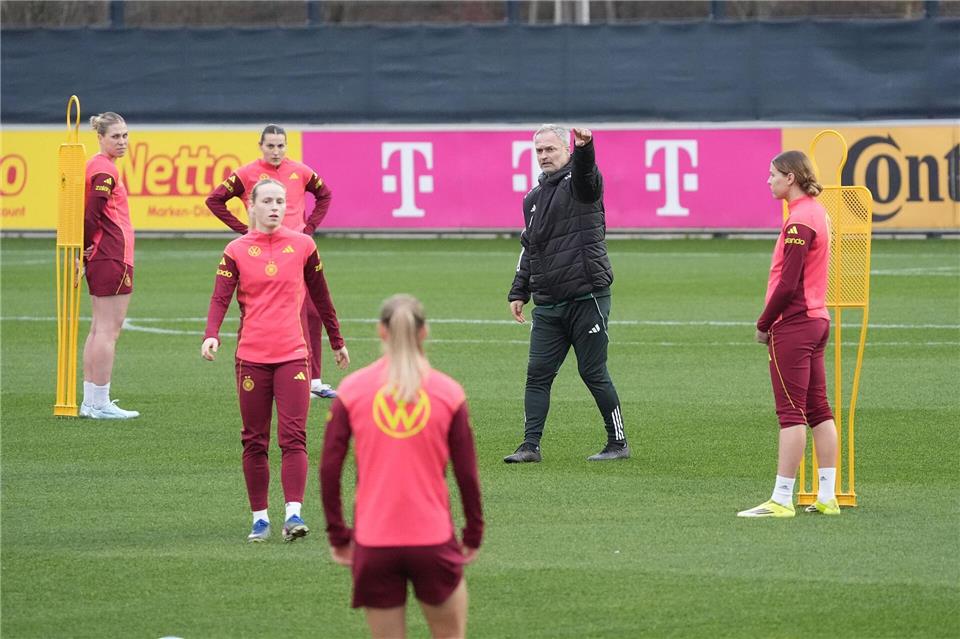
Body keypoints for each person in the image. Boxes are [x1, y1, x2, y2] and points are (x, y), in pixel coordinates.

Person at [321, 295, 483, 639]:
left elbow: (329, 469)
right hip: (432, 539)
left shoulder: (352, 390)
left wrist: (338, 534)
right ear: (424, 333)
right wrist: (473, 532)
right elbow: (467, 474)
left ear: (381, 331)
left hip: (374, 542)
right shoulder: (448, 392)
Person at [201, 178, 350, 542]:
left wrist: (336, 341)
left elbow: (322, 296)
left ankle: (293, 515)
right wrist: (211, 334)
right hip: (250, 357)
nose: (274, 207)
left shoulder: (303, 245)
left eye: (280, 201)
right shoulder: (235, 250)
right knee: (254, 440)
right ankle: (260, 519)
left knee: (293, 437)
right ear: (251, 206)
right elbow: (220, 297)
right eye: (267, 200)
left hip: (293, 356)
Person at [503, 124, 628, 463]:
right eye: (539, 151)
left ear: (567, 150)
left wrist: (586, 147)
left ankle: (618, 442)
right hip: (548, 302)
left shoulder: (582, 184)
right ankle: (530, 446)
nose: (544, 156)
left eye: (551, 149)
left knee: (592, 371)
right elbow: (530, 247)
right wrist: (519, 290)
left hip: (586, 297)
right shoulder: (532, 198)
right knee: (537, 374)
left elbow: (588, 172)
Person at [738, 150, 840, 518]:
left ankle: (782, 499)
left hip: (795, 323)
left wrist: (764, 323)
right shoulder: (817, 212)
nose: (769, 181)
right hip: (817, 319)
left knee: (791, 414)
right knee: (819, 409)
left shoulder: (799, 221)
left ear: (790, 178)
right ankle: (827, 495)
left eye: (773, 174)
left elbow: (787, 283)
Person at [205, 124, 338, 399]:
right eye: (271, 146)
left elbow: (324, 194)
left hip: (297, 250)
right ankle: (273, 374)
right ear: (260, 146)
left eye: (280, 145)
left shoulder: (300, 170)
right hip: (262, 253)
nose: (276, 151)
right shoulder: (246, 174)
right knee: (278, 312)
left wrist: (310, 227)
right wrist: (244, 230)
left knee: (312, 312)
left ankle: (314, 380)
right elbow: (215, 200)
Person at [79, 111, 139, 419]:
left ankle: (91, 400)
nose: (122, 141)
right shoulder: (104, 170)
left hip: (105, 254)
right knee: (107, 330)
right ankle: (99, 402)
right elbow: (92, 213)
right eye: (115, 136)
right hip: (112, 254)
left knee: (98, 328)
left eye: (125, 135)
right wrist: (84, 244)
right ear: (100, 137)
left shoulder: (97, 165)